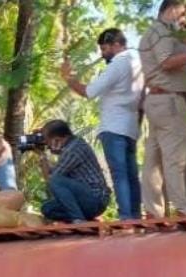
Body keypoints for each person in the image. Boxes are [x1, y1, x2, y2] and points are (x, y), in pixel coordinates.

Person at [138, 0, 186, 217]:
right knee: (175, 159)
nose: (185, 19)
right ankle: (184, 209)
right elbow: (167, 62)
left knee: (153, 160)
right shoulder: (162, 31)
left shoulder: (158, 32)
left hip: (159, 100)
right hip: (169, 102)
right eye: (183, 13)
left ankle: (153, 211)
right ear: (172, 8)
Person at [61, 29, 144, 220]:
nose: (102, 54)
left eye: (105, 49)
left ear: (117, 45)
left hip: (113, 127)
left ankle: (126, 218)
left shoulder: (118, 63)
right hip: (131, 127)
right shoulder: (138, 62)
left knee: (119, 175)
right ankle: (135, 216)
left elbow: (89, 92)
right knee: (131, 175)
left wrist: (68, 78)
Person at [35, 120, 110, 223]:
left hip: (95, 199)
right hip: (85, 199)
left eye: (48, 142)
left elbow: (51, 179)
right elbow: (53, 175)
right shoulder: (73, 145)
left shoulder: (73, 150)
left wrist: (44, 157)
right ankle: (86, 219)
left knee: (55, 180)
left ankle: (78, 219)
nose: (47, 146)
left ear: (57, 140)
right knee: (47, 209)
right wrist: (42, 155)